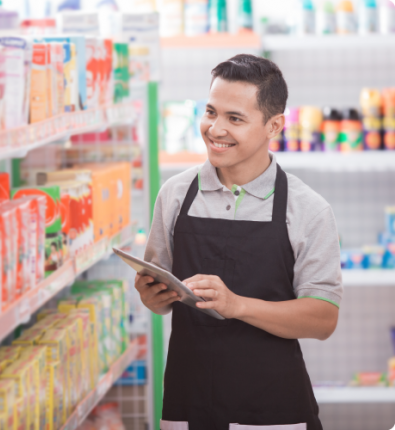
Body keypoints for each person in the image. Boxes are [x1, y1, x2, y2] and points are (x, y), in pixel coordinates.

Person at [136, 54, 342, 430]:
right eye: (210, 112)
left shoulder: (308, 209)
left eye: (235, 119)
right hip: (188, 399)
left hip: (272, 407)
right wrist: (154, 297)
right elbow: (160, 297)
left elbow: (323, 319)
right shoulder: (175, 194)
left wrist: (237, 305)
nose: (215, 129)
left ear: (274, 126)